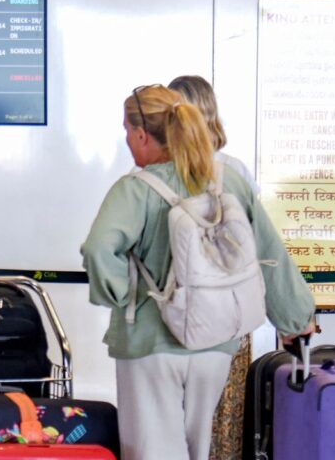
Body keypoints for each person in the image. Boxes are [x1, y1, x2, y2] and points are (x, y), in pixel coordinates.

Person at [80, 85, 315, 460]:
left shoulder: (134, 190)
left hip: (150, 344)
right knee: (197, 449)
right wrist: (295, 318)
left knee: (153, 452)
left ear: (142, 134)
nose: (127, 139)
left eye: (127, 130)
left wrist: (124, 296)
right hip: (214, 344)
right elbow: (269, 253)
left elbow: (98, 248)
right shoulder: (227, 180)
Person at [168, 74, 256, 459]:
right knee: (223, 418)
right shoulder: (235, 170)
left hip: (178, 311)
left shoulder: (160, 171)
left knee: (173, 415)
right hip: (229, 311)